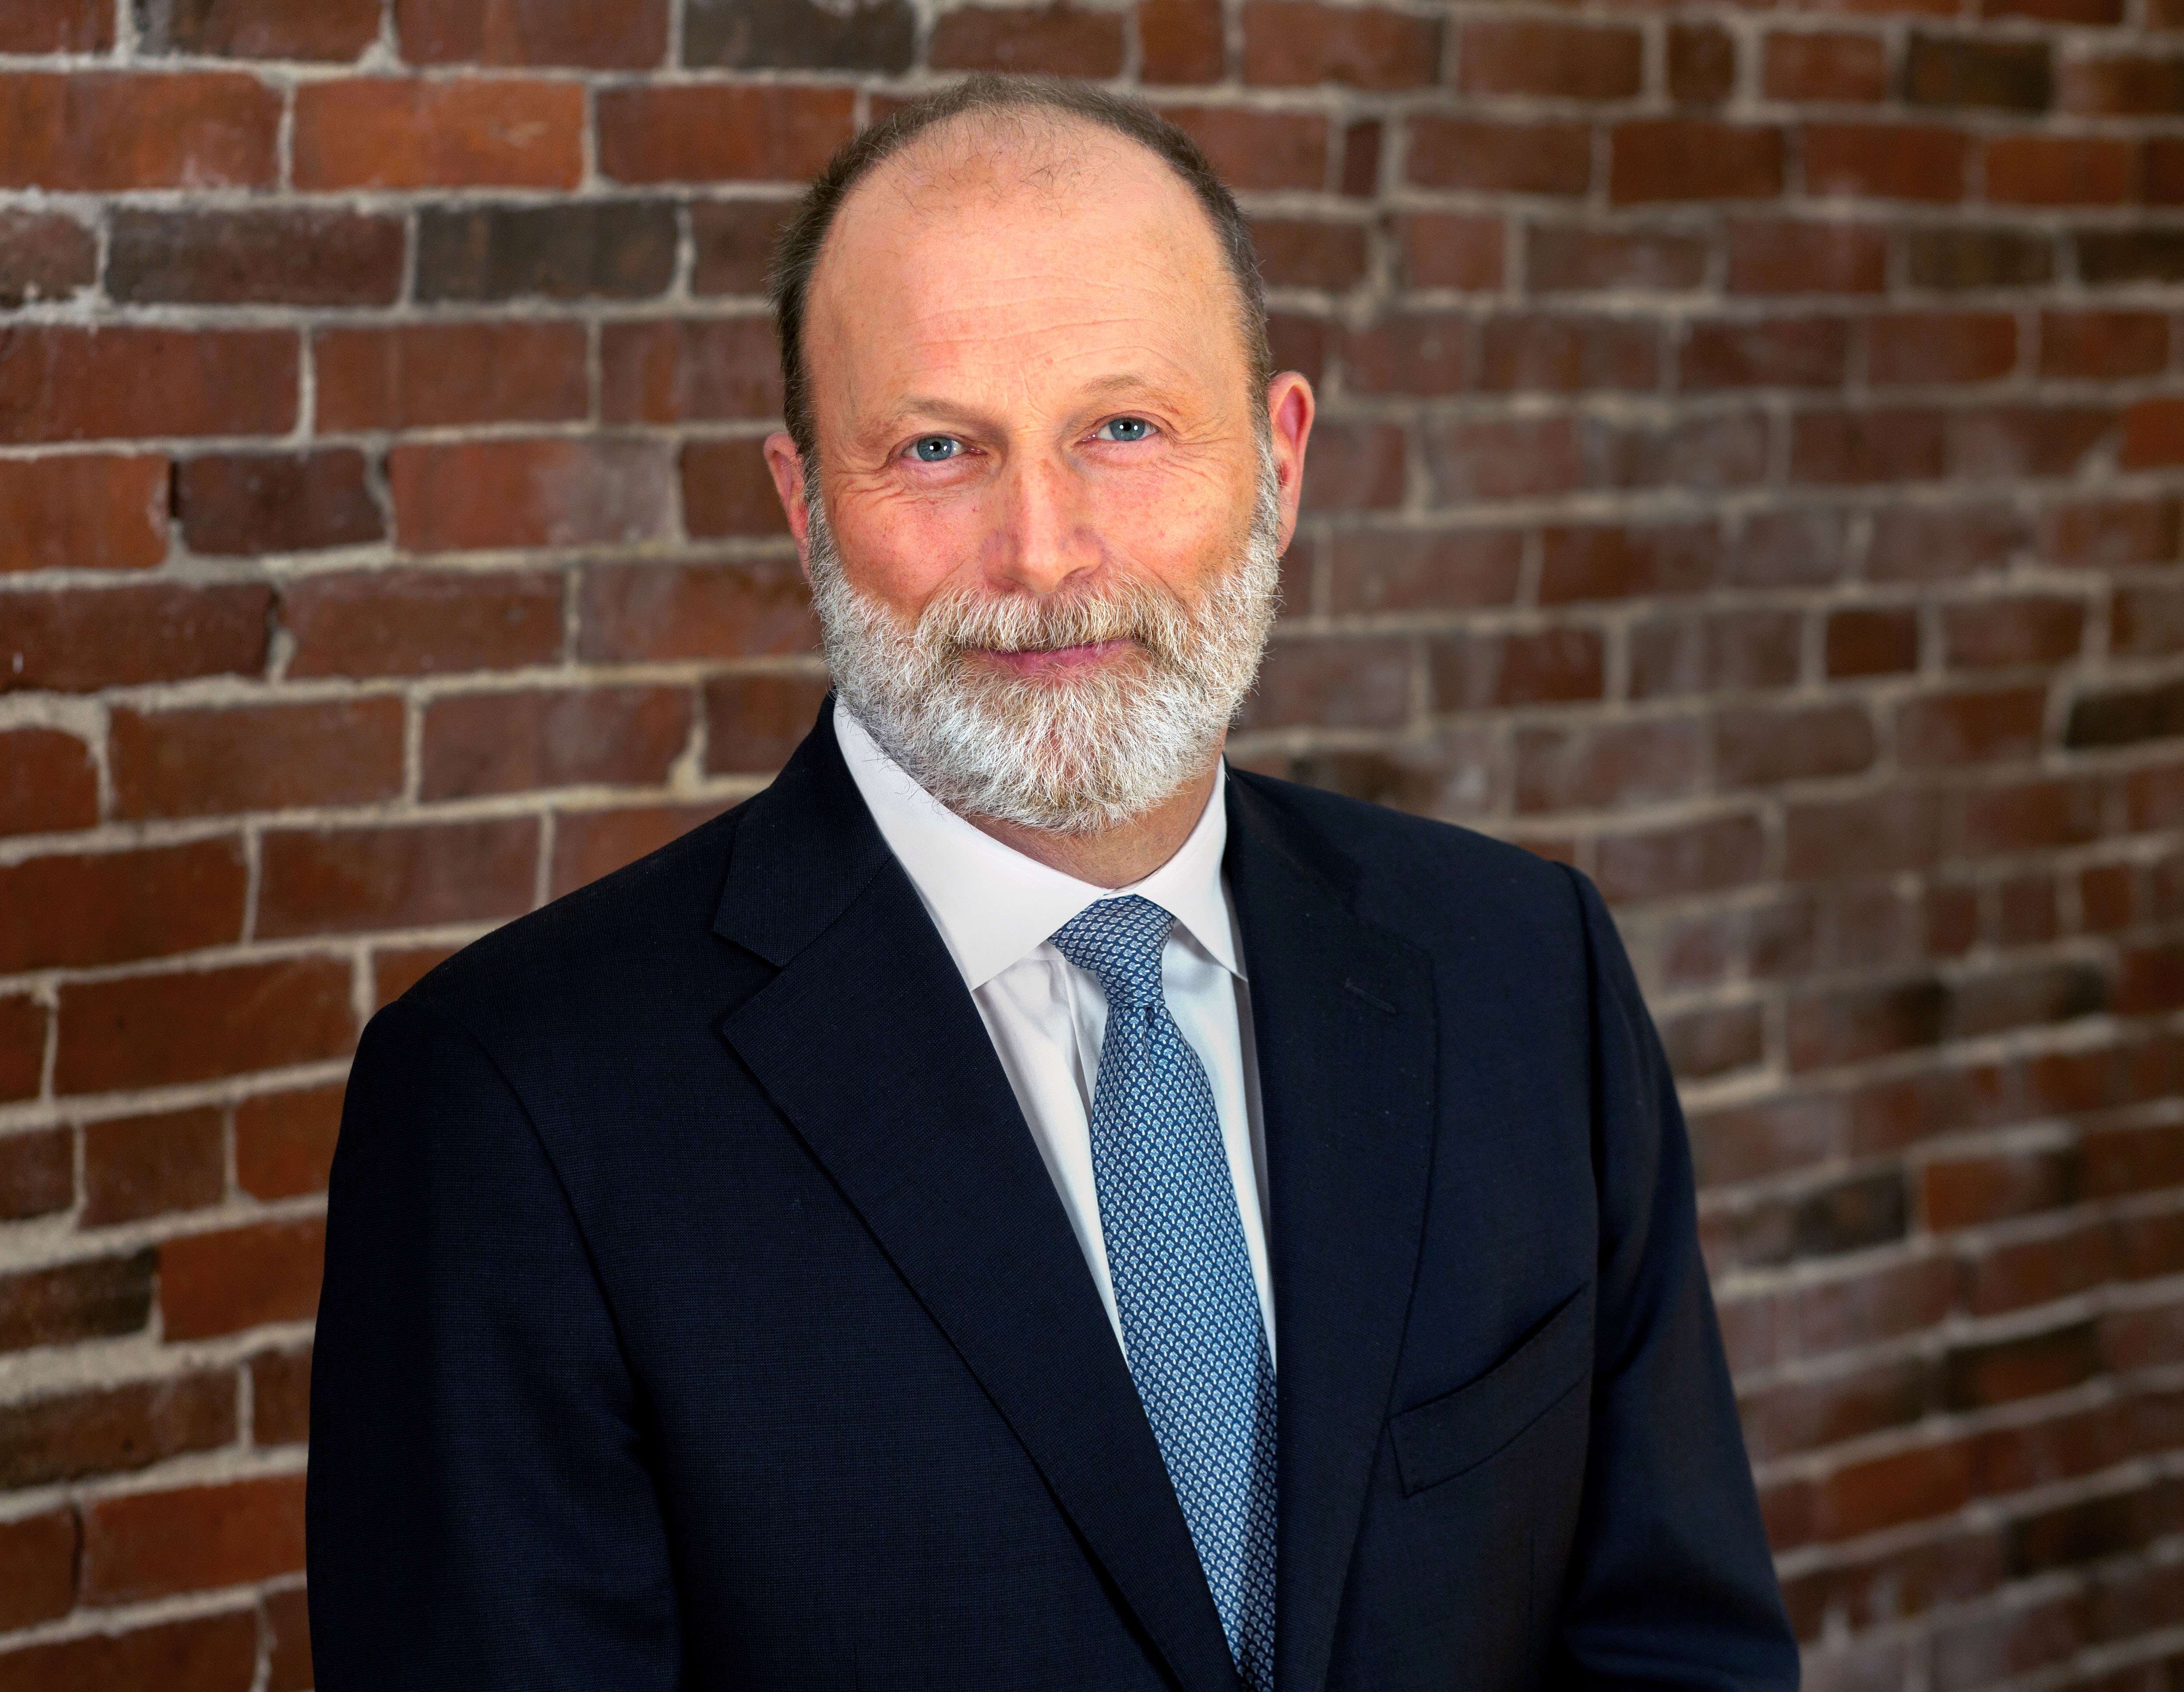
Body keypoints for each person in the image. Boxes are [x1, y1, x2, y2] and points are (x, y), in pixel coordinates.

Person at [307, 74, 1798, 1692]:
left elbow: (1677, 1649)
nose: (1044, 549)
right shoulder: (519, 1105)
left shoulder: (1528, 972)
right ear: (807, 509)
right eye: (939, 447)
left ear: (1280, 464)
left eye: (1127, 429)